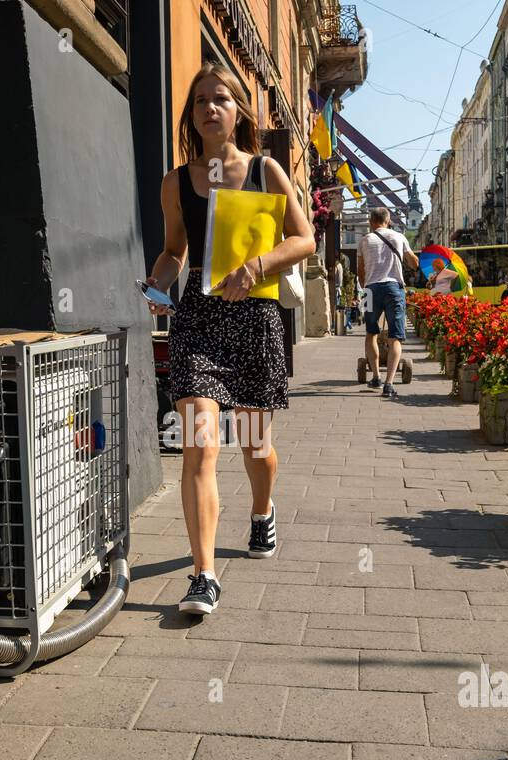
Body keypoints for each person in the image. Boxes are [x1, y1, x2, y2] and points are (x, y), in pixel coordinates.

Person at [144, 63, 314, 617]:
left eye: (220, 98)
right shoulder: (176, 182)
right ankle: (203, 575)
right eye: (199, 102)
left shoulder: (266, 170)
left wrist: (258, 264)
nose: (210, 108)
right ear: (190, 116)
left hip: (254, 323)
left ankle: (262, 511)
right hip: (198, 325)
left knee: (255, 446)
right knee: (199, 446)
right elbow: (173, 251)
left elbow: (305, 239)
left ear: (239, 109)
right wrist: (157, 282)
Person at [357, 206, 420, 398]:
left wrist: (366, 287)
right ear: (388, 220)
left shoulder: (364, 240)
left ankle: (375, 376)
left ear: (371, 221)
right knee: (395, 337)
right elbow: (413, 263)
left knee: (370, 334)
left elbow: (360, 271)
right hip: (394, 289)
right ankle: (389, 383)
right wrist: (413, 259)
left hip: (369, 290)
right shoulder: (399, 237)